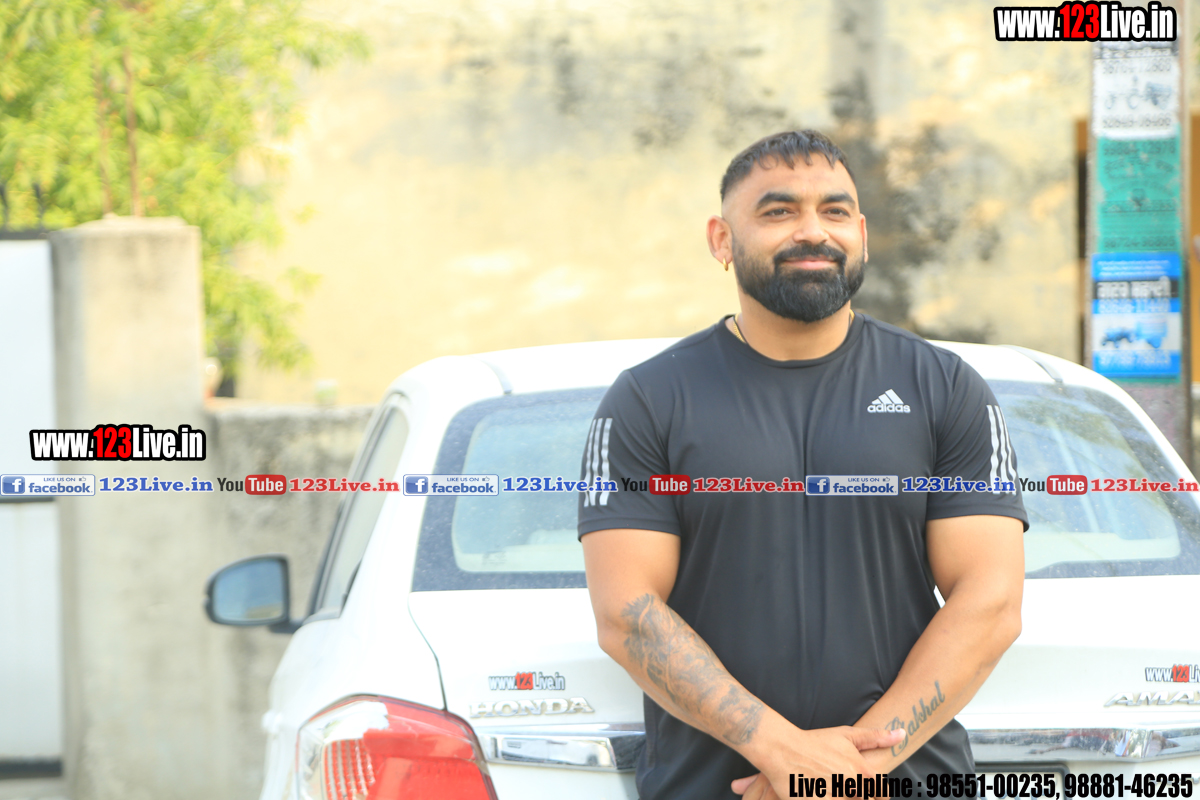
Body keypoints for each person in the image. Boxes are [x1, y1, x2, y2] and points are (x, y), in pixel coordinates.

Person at [576, 129, 1027, 800]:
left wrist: (847, 773)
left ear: (861, 235)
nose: (813, 231)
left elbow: (990, 602)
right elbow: (628, 612)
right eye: (778, 211)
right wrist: (780, 752)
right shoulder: (649, 400)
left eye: (834, 211)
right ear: (722, 240)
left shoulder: (944, 387)